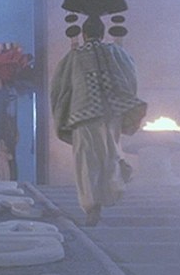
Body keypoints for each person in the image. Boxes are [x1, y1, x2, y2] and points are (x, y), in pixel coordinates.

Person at [50, 16, 147, 225]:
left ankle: (91, 205)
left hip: (83, 114)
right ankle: (115, 186)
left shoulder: (74, 56)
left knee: (86, 160)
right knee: (110, 152)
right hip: (112, 112)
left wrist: (62, 111)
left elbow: (60, 86)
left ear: (84, 34)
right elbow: (130, 75)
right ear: (102, 34)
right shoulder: (115, 52)